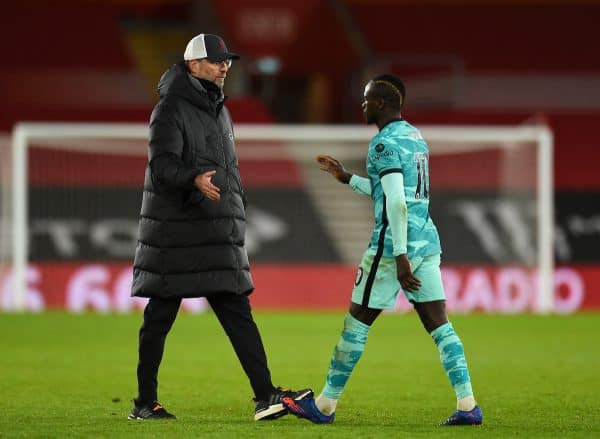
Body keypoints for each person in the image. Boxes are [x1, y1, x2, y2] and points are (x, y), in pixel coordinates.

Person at [128, 33, 312, 421]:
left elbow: (228, 169)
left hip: (214, 230)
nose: (224, 66)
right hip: (175, 234)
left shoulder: (220, 109)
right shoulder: (170, 109)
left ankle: (266, 395)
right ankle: (145, 402)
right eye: (215, 61)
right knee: (159, 318)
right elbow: (162, 167)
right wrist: (193, 177)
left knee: (237, 312)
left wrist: (236, 206)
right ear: (193, 65)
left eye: (226, 60)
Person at [282, 74, 482, 426]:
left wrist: (400, 256)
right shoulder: (415, 138)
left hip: (392, 249)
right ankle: (468, 404)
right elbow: (394, 190)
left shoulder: (383, 144)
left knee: (355, 324)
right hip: (427, 241)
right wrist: (346, 178)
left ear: (382, 104)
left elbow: (396, 202)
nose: (363, 104)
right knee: (440, 325)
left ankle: (325, 405)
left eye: (367, 99)